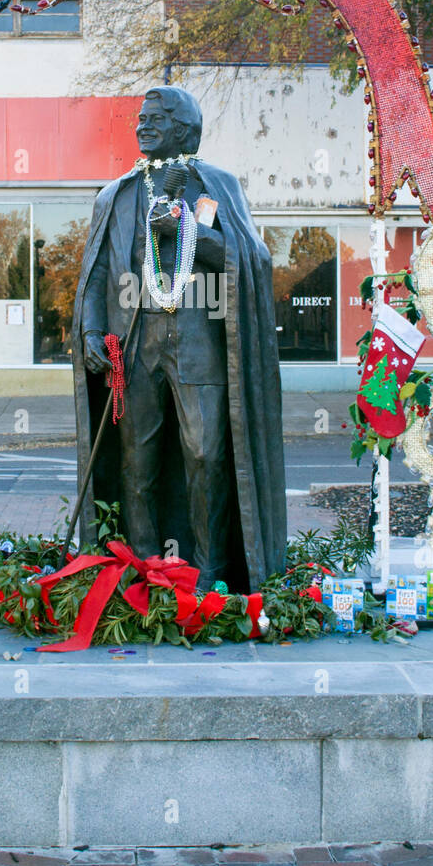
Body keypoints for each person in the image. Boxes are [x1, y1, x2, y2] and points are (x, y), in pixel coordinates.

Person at [71, 86, 286, 591]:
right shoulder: (117, 194)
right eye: (141, 118)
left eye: (156, 118)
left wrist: (191, 232)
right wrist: (88, 329)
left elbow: (254, 260)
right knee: (136, 462)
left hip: (198, 341)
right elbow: (97, 271)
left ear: (185, 127)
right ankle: (141, 571)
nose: (143, 125)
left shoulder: (218, 184)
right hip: (137, 340)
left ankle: (210, 573)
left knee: (206, 455)